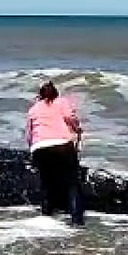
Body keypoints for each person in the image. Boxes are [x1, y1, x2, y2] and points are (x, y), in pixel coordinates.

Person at [24, 80, 86, 225]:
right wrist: (77, 129)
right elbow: (71, 118)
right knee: (72, 184)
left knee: (47, 184)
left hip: (39, 147)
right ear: (56, 93)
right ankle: (77, 221)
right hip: (62, 145)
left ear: (40, 95)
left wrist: (33, 150)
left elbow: (29, 134)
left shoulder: (33, 109)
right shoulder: (61, 102)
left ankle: (47, 219)